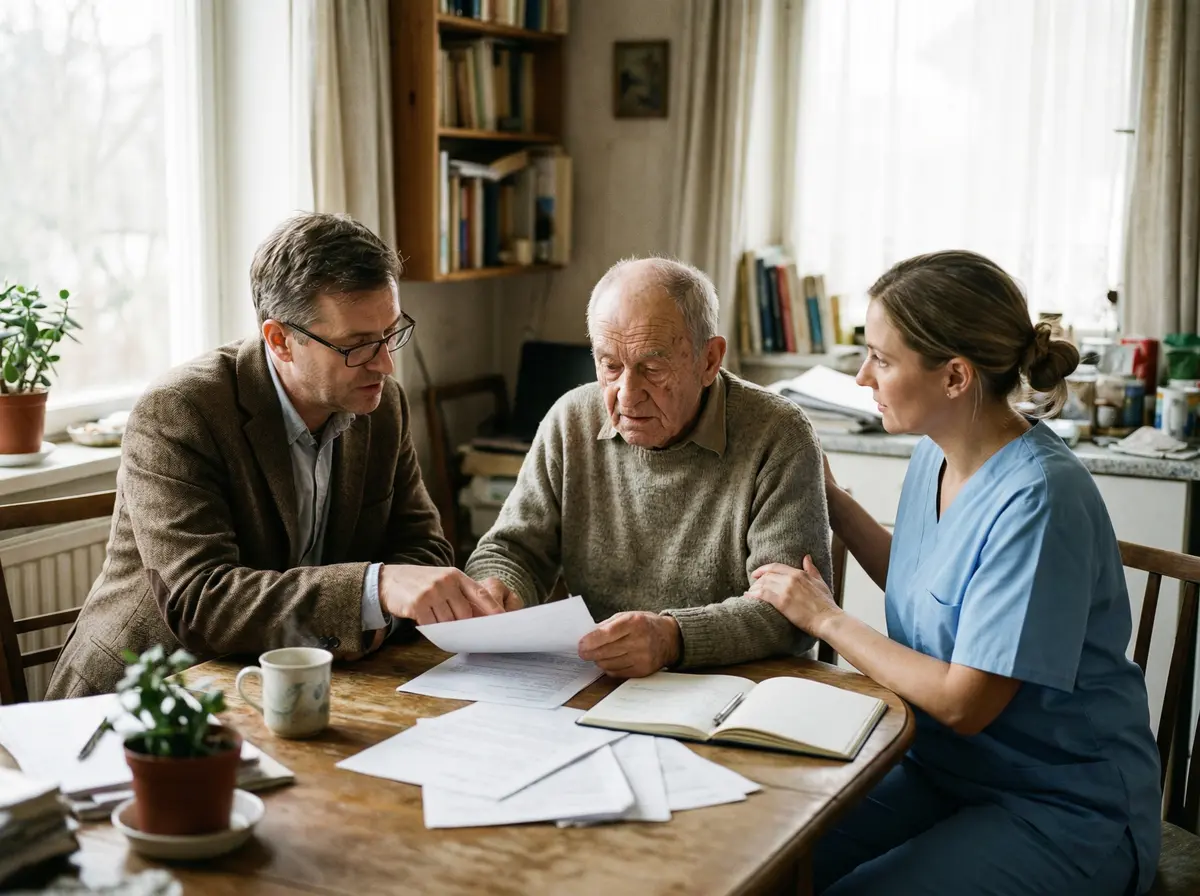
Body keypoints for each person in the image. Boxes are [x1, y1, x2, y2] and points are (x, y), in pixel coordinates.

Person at [746, 250, 1161, 895]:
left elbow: (964, 703)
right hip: (943, 770)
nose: (862, 377)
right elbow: (923, 585)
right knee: (769, 857)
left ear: (956, 377)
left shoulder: (1039, 499)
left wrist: (824, 616)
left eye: (881, 359)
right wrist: (832, 499)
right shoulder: (933, 458)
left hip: (1064, 808)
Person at [47, 213, 506, 699]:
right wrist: (373, 590)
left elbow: (423, 547)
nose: (385, 363)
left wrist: (370, 612)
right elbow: (201, 601)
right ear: (280, 340)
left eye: (391, 333)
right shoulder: (181, 410)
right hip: (147, 696)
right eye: (356, 346)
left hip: (298, 686)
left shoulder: (381, 403)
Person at [464, 256, 830, 677]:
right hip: (602, 681)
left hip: (738, 688)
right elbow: (511, 549)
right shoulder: (571, 420)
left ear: (709, 360)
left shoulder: (778, 433)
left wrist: (673, 637)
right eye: (610, 365)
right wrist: (497, 588)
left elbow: (791, 611)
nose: (626, 394)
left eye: (652, 369)